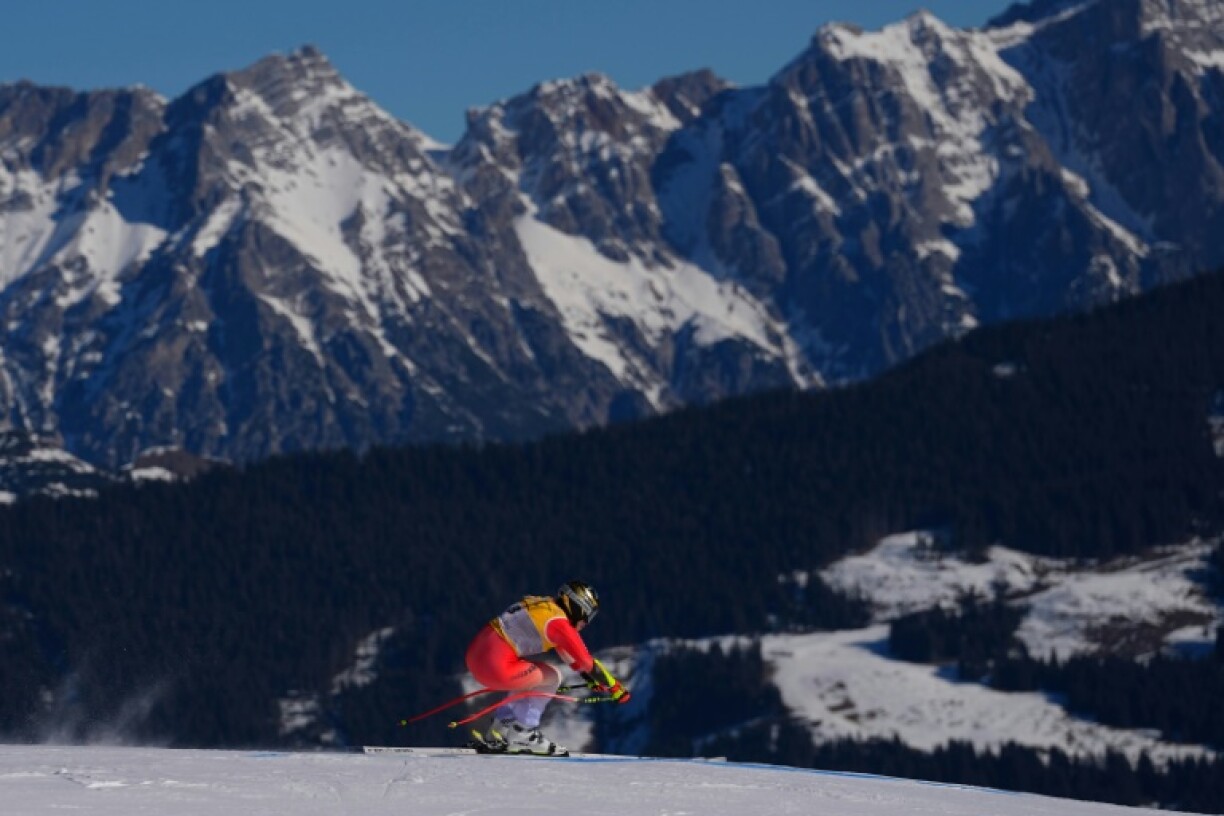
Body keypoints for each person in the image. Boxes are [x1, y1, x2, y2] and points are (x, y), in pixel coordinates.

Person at [464, 580, 629, 755]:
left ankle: (501, 727)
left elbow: (566, 651)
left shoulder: (545, 606)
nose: (586, 622)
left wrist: (587, 677)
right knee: (552, 677)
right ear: (578, 606)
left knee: (532, 677)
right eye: (588, 614)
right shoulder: (560, 624)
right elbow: (587, 662)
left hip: (476, 658)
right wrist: (615, 687)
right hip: (494, 668)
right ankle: (524, 732)